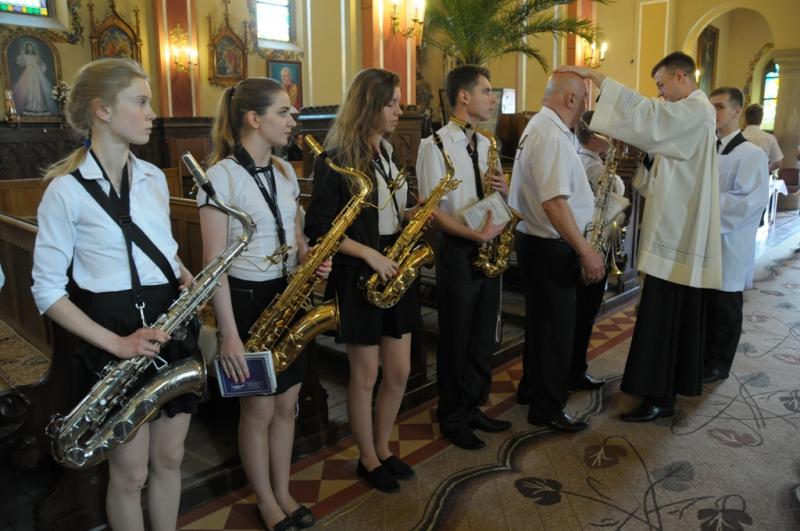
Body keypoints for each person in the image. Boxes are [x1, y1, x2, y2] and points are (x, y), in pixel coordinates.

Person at [31, 58, 197, 531]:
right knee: (130, 474)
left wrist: (186, 275)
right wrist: (117, 344)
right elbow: (46, 290)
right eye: (141, 102)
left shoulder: (153, 178)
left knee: (170, 458)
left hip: (167, 321)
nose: (152, 114)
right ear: (102, 110)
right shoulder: (65, 191)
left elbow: (162, 250)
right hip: (114, 333)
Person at [558, 51, 723, 422]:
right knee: (661, 315)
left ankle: (660, 396)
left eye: (662, 84)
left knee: (663, 318)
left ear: (681, 77)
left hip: (678, 235)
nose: (660, 93)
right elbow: (659, 156)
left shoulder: (697, 110)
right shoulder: (688, 115)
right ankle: (658, 389)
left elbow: (649, 117)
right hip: (674, 230)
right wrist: (636, 152)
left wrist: (597, 77)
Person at [197, 77, 328, 531]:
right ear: (254, 119)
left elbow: (296, 236)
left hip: (287, 294)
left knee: (287, 405)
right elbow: (214, 265)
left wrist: (309, 257)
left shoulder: (285, 171)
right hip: (246, 301)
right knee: (258, 410)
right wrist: (229, 336)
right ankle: (266, 500)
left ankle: (283, 490)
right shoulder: (220, 177)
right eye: (284, 112)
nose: (293, 120)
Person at [304, 68, 420, 493]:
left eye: (398, 103)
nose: (398, 111)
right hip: (359, 271)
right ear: (368, 106)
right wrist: (369, 254)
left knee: (400, 370)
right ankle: (367, 458)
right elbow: (320, 228)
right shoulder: (335, 158)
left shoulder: (387, 152)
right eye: (391, 103)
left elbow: (389, 212)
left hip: (395, 266)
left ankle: (383, 447)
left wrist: (414, 215)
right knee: (366, 374)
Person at [415, 64, 511, 450]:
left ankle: (473, 405)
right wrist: (473, 234)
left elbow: (495, 197)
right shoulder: (434, 146)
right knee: (456, 336)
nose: (493, 99)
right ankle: (452, 415)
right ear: (464, 96)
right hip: (457, 248)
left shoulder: (487, 144)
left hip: (488, 246)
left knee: (483, 335)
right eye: (487, 91)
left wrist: (504, 191)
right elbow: (430, 209)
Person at [508, 73, 604, 433]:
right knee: (555, 331)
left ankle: (531, 389)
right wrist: (586, 251)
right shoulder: (550, 134)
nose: (585, 108)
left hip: (538, 243)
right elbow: (554, 204)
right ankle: (547, 407)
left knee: (542, 325)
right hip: (549, 245)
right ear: (571, 99)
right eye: (584, 100)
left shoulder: (543, 126)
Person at [704, 87, 769, 384]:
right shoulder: (708, 147)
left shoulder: (751, 154)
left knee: (726, 304)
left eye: (719, 107)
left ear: (736, 111)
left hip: (730, 239)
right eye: (711, 107)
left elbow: (749, 202)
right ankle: (702, 356)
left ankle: (719, 363)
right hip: (705, 237)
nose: (713, 113)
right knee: (707, 302)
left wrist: (704, 205)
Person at [14, 41, 56, 115]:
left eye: (30, 47)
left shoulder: (36, 56)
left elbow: (42, 66)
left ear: (33, 48)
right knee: (29, 89)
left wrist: (40, 63)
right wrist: (21, 54)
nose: (29, 48)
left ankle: (38, 105)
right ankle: (30, 105)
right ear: (27, 48)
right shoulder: (25, 56)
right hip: (28, 74)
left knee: (38, 89)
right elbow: (21, 64)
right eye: (28, 47)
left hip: (37, 74)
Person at [742, 103, 783, 173]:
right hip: (761, 177)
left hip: (741, 175)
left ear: (745, 119)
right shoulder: (770, 138)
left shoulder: (738, 137)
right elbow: (778, 162)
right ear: (761, 120)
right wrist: (766, 169)